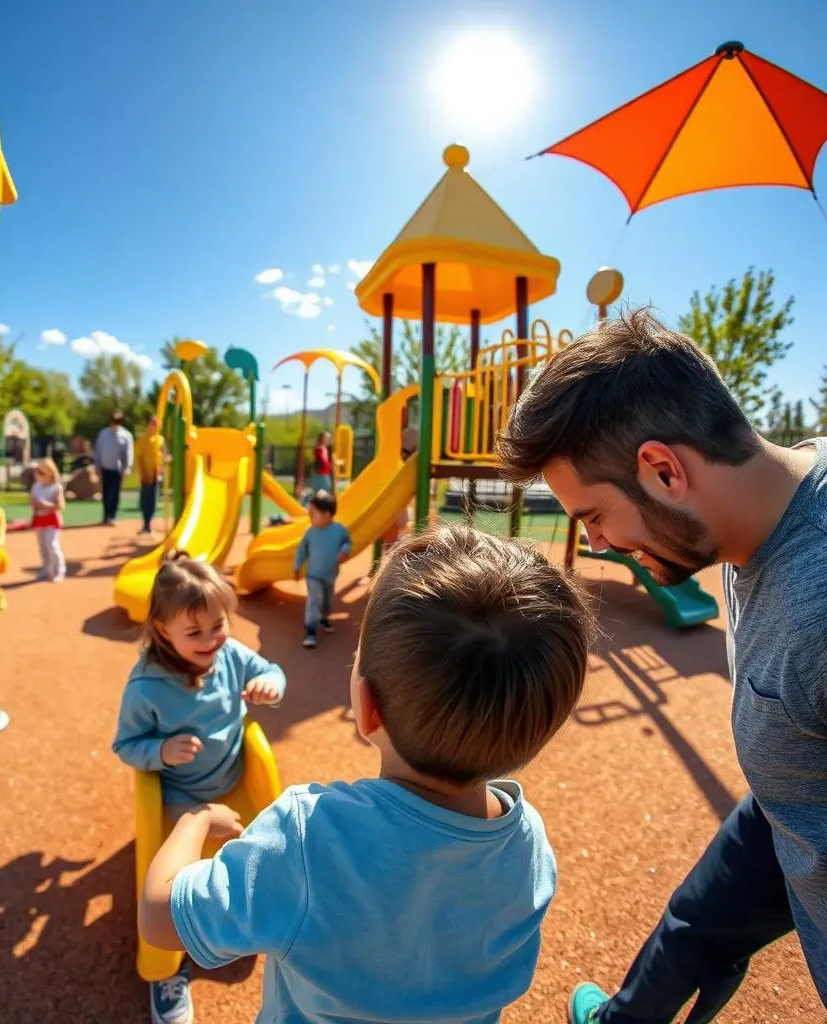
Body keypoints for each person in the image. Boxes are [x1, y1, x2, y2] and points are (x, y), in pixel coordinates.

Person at [497, 306, 827, 1023]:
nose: (602, 545)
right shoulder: (760, 523)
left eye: (592, 518)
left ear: (663, 469)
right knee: (689, 928)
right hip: (786, 808)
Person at [138, 523, 592, 1024]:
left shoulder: (309, 836)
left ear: (366, 705)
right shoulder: (529, 848)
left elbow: (160, 919)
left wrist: (194, 822)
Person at [112, 550, 287, 1024]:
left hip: (235, 782)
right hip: (179, 799)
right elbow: (126, 745)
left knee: (272, 850)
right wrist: (161, 753)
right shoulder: (146, 687)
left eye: (219, 626)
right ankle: (165, 969)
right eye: (195, 633)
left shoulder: (228, 655)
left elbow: (271, 671)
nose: (212, 641)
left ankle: (260, 919)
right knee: (167, 887)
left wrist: (270, 684)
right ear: (162, 629)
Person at [293, 489, 351, 648]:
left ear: (326, 514)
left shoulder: (339, 530)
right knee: (314, 599)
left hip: (330, 575)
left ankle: (323, 617)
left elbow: (347, 542)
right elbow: (302, 550)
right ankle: (310, 630)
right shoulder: (310, 533)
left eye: (313, 515)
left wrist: (344, 550)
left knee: (326, 602)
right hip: (313, 575)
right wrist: (297, 566)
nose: (309, 518)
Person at [94, 409, 133, 525]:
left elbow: (129, 453)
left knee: (115, 493)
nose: (115, 423)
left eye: (118, 421)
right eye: (114, 420)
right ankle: (106, 516)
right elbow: (98, 451)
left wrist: (128, 467)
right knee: (105, 493)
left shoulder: (126, 435)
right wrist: (97, 466)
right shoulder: (103, 434)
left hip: (118, 470)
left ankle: (113, 516)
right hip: (105, 468)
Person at [31, 457, 66, 582]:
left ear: (50, 473)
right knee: (42, 546)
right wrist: (35, 505)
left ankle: (59, 570)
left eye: (41, 472)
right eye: (37, 472)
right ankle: (46, 569)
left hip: (51, 519)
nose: (38, 475)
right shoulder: (36, 486)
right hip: (39, 518)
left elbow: (60, 505)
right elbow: (33, 501)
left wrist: (47, 505)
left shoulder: (56, 487)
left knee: (52, 545)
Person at [135, 414, 165, 534]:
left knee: (153, 499)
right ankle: (145, 523)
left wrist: (161, 469)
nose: (154, 426)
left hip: (156, 474)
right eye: (152, 423)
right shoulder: (143, 439)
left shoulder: (160, 440)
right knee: (145, 499)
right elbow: (139, 457)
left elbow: (163, 454)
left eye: (156, 424)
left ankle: (149, 523)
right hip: (145, 473)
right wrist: (142, 472)